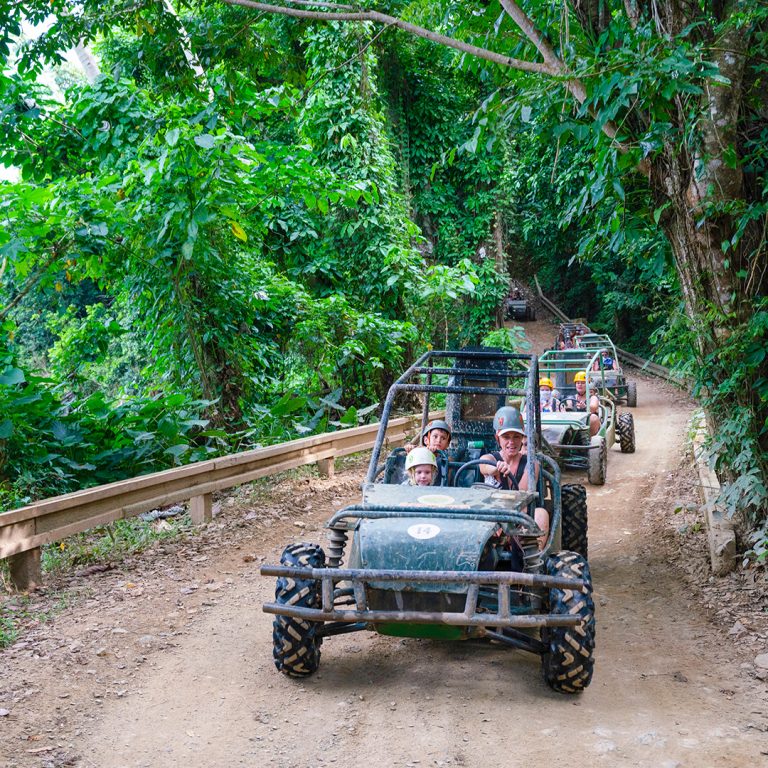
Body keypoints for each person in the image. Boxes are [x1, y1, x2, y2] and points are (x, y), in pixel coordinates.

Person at [479, 406, 549, 548]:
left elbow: (521, 497)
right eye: (506, 437)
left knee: (541, 514)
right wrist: (495, 469)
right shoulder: (489, 458)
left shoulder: (531, 464)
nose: (511, 442)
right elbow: (484, 467)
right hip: (492, 514)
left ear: (522, 438)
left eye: (516, 437)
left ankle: (532, 561)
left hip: (519, 517)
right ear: (497, 438)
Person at [560, 371, 600, 436]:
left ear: (588, 384)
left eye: (583, 383)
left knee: (593, 417)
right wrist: (564, 411)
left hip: (587, 425)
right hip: (574, 424)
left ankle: (589, 440)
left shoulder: (592, 397)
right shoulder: (571, 398)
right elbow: (568, 407)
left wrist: (585, 407)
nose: (580, 385)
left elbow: (593, 407)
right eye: (578, 383)